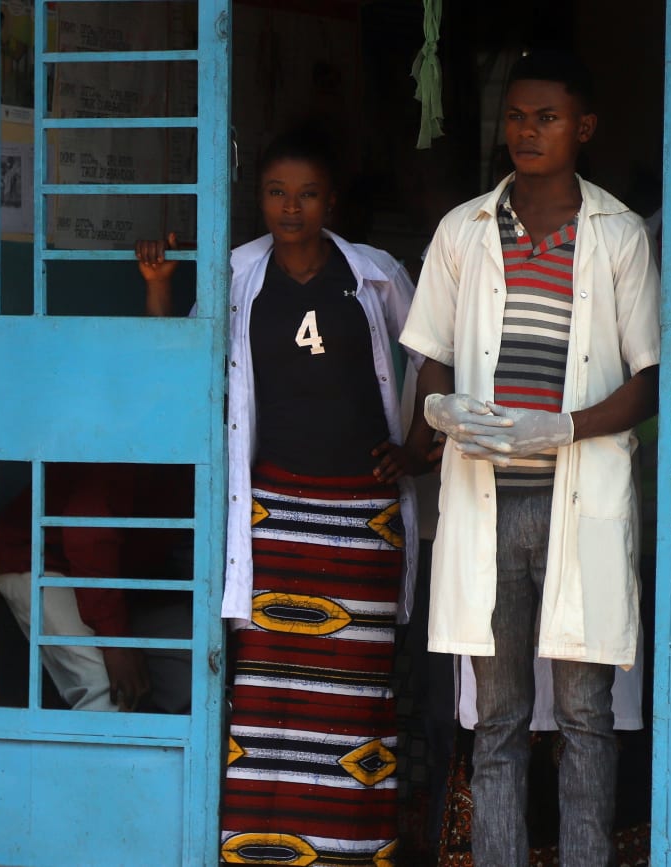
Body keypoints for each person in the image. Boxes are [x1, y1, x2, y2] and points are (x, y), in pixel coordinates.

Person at [134, 130, 433, 866]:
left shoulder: (374, 274)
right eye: (276, 192)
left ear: (330, 201)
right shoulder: (239, 275)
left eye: (305, 194)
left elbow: (435, 354)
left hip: (362, 518)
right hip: (270, 514)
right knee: (264, 695)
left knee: (353, 692)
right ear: (259, 199)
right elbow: (187, 373)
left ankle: (352, 847)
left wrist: (415, 447)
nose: (290, 207)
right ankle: (261, 848)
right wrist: (159, 288)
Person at [400, 50, 661, 867]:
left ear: (583, 128)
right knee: (499, 716)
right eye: (516, 116)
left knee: (586, 716)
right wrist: (438, 405)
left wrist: (564, 428)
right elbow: (432, 351)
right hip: (487, 500)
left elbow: (649, 380)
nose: (527, 131)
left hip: (577, 499)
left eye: (547, 117)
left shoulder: (618, 235)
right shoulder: (463, 230)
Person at [0, 462, 193, 713]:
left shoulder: (210, 462)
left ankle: (157, 750)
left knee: (196, 670)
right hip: (39, 558)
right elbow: (87, 535)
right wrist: (115, 642)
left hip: (119, 575)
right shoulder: (131, 450)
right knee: (107, 687)